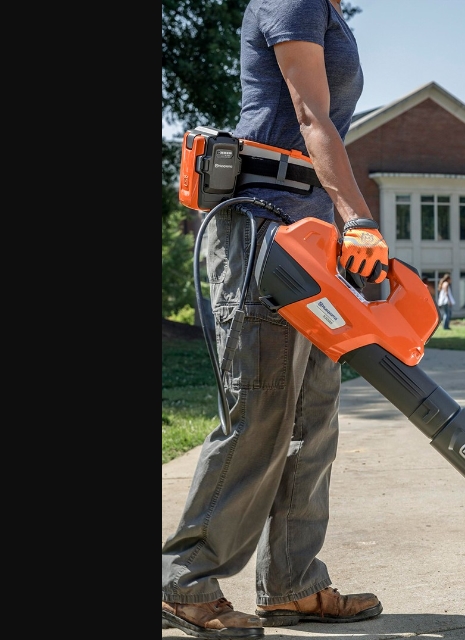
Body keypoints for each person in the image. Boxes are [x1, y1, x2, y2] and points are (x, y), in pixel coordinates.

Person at [162, 1, 385, 637]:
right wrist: (360, 218)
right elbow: (312, 113)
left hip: (309, 237)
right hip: (265, 225)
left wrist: (341, 223)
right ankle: (184, 580)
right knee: (261, 409)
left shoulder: (333, 12)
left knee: (313, 414)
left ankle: (293, 584)